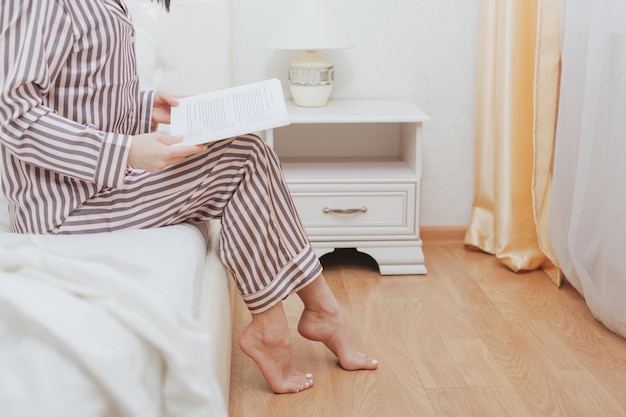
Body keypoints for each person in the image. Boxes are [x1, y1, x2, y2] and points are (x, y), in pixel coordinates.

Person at [0, 0, 378, 394]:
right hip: (66, 206)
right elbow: (12, 114)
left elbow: (78, 90)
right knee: (244, 156)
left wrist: (145, 107)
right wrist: (126, 151)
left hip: (102, 183)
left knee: (249, 150)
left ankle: (319, 310)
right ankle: (285, 324)